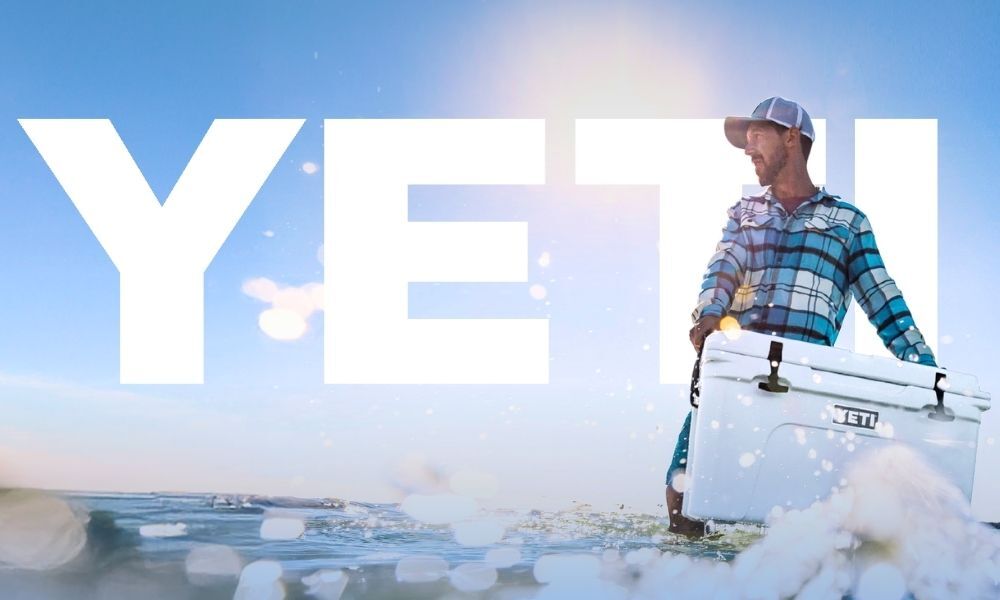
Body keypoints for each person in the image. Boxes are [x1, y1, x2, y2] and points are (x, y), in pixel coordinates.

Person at [665, 97, 938, 537]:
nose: (748, 146)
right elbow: (722, 268)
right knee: (682, 492)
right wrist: (710, 313)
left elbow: (883, 300)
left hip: (805, 388)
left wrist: (927, 373)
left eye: (758, 135)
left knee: (794, 510)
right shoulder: (744, 212)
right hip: (734, 374)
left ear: (791, 137)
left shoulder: (848, 222)